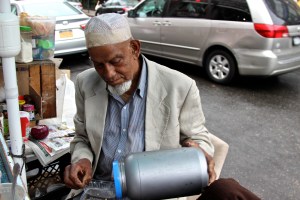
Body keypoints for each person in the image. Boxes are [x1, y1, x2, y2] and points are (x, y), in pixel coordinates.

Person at [63, 13, 260, 200]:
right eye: (98, 65)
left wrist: (197, 150)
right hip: (98, 190)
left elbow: (199, 139)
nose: (109, 73)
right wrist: (83, 160)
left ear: (134, 48)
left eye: (116, 61)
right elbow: (82, 137)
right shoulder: (85, 83)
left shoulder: (179, 87)